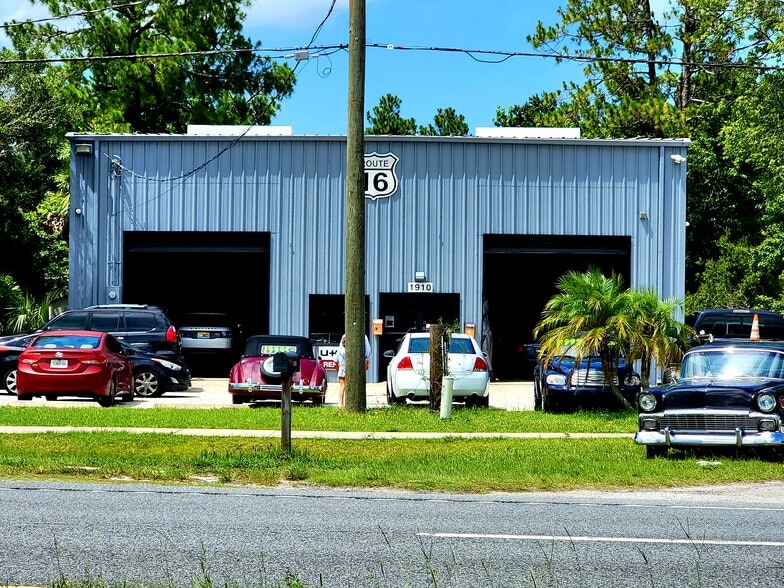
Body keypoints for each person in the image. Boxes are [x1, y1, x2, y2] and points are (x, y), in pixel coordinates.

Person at [335, 334, 373, 407]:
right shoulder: (363, 337)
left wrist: (338, 368)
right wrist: (367, 361)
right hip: (352, 368)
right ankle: (353, 402)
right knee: (353, 385)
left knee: (342, 386)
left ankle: (341, 403)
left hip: (342, 369)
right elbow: (367, 350)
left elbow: (336, 361)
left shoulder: (340, 349)